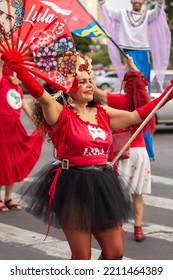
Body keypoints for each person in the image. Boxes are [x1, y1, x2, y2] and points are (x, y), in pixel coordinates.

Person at [2, 51, 173, 260]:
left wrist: (168, 93)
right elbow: (42, 96)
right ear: (68, 87)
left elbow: (135, 116)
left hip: (103, 183)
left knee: (115, 252)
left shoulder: (102, 113)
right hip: (73, 185)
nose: (90, 85)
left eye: (90, 80)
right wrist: (21, 70)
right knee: (82, 257)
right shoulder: (59, 113)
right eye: (83, 81)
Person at [98, 0, 171, 161]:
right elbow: (107, 11)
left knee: (142, 98)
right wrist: (101, 3)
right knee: (133, 98)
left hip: (143, 54)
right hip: (129, 53)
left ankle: (147, 149)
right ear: (131, 1)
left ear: (143, 1)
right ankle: (133, 146)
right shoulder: (123, 14)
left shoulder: (147, 16)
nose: (137, 1)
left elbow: (158, 11)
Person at [94, 56, 155, 241]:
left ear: (126, 85)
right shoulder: (145, 101)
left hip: (122, 152)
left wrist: (85, 74)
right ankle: (138, 230)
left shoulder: (120, 100)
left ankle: (118, 226)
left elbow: (97, 92)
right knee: (138, 194)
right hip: (141, 153)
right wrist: (133, 66)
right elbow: (142, 84)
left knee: (118, 193)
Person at [0, 57, 43, 212]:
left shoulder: (18, 90)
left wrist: (40, 124)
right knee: (2, 163)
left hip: (15, 129)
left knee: (13, 162)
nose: (16, 77)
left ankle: (8, 197)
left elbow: (26, 108)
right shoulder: (2, 83)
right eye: (14, 73)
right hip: (1, 129)